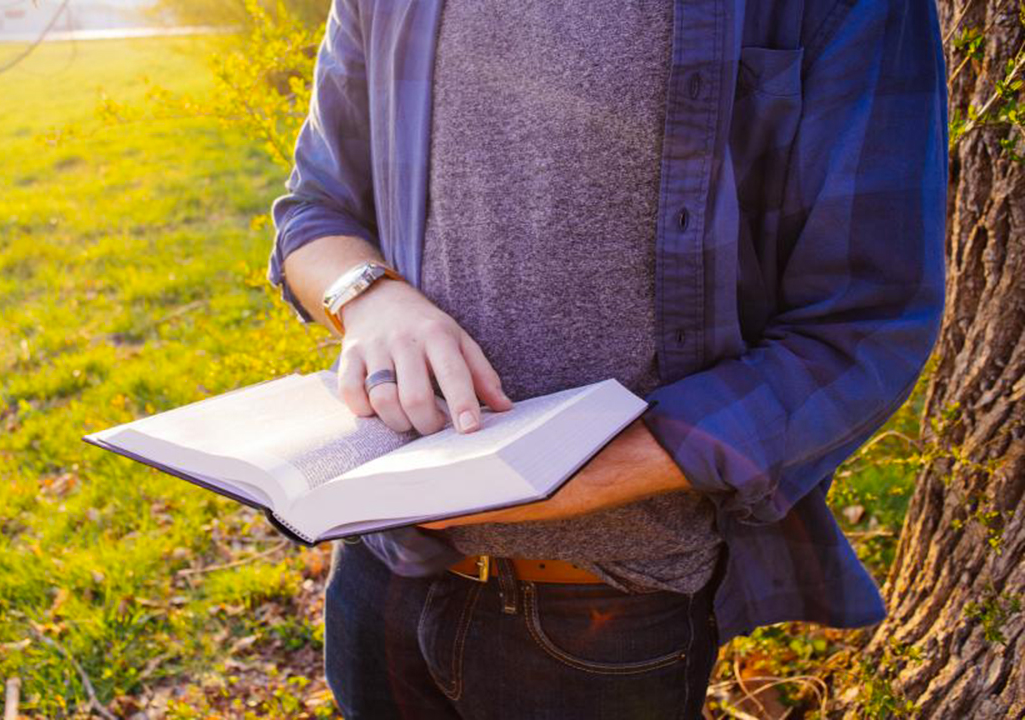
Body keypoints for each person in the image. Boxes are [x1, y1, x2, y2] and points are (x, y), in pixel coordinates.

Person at [267, 1, 948, 717]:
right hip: (382, 569)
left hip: (612, 612)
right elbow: (314, 211)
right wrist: (371, 299)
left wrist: (579, 474)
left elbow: (865, 325)